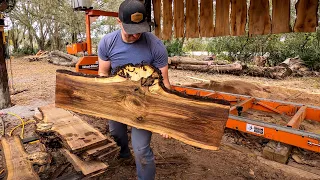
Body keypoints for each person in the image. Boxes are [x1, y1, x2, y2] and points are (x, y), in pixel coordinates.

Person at [97, 0, 170, 179]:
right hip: (118, 98)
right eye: (131, 31)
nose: (136, 35)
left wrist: (166, 118)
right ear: (119, 22)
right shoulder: (107, 43)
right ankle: (123, 151)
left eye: (140, 30)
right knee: (116, 133)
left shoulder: (156, 45)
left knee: (141, 150)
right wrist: (101, 101)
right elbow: (102, 74)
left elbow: (166, 84)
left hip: (145, 102)